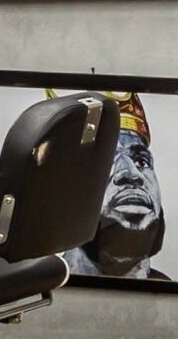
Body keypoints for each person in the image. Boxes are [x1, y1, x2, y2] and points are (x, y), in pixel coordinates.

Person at [65, 92, 169, 281]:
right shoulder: (30, 291)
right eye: (104, 161)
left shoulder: (173, 301)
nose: (131, 174)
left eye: (141, 161)